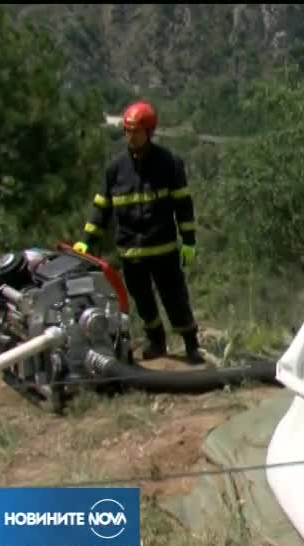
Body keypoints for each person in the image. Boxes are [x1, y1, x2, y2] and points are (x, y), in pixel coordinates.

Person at [74, 101, 204, 364]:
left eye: (135, 131)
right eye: (126, 130)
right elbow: (101, 208)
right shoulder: (115, 169)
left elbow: (183, 206)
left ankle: (191, 344)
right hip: (131, 252)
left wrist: (189, 242)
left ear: (149, 131)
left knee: (175, 298)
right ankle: (157, 341)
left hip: (164, 249)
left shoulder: (170, 164)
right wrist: (86, 242)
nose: (129, 136)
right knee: (144, 303)